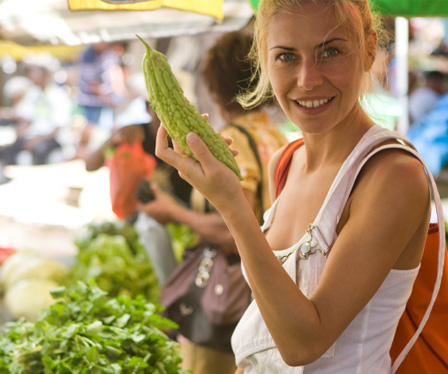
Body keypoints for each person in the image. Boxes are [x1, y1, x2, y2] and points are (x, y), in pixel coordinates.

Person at [154, 0, 432, 372]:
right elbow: (271, 319)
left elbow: (304, 344)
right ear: (264, 62)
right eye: (286, 57)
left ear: (367, 51)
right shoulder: (284, 164)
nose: (308, 79)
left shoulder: (393, 175)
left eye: (330, 51)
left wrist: (233, 207)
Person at [138, 30, 288, 374]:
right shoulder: (276, 135)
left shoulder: (236, 140)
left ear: (216, 88)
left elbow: (230, 230)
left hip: (232, 302)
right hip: (271, 293)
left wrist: (172, 212)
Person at [0, 65, 72, 166]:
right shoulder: (33, 93)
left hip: (51, 139)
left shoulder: (58, 96)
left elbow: (57, 128)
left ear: (44, 74)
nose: (31, 76)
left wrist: (37, 140)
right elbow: (27, 117)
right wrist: (17, 136)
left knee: (39, 150)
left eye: (34, 72)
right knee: (8, 150)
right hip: (33, 136)